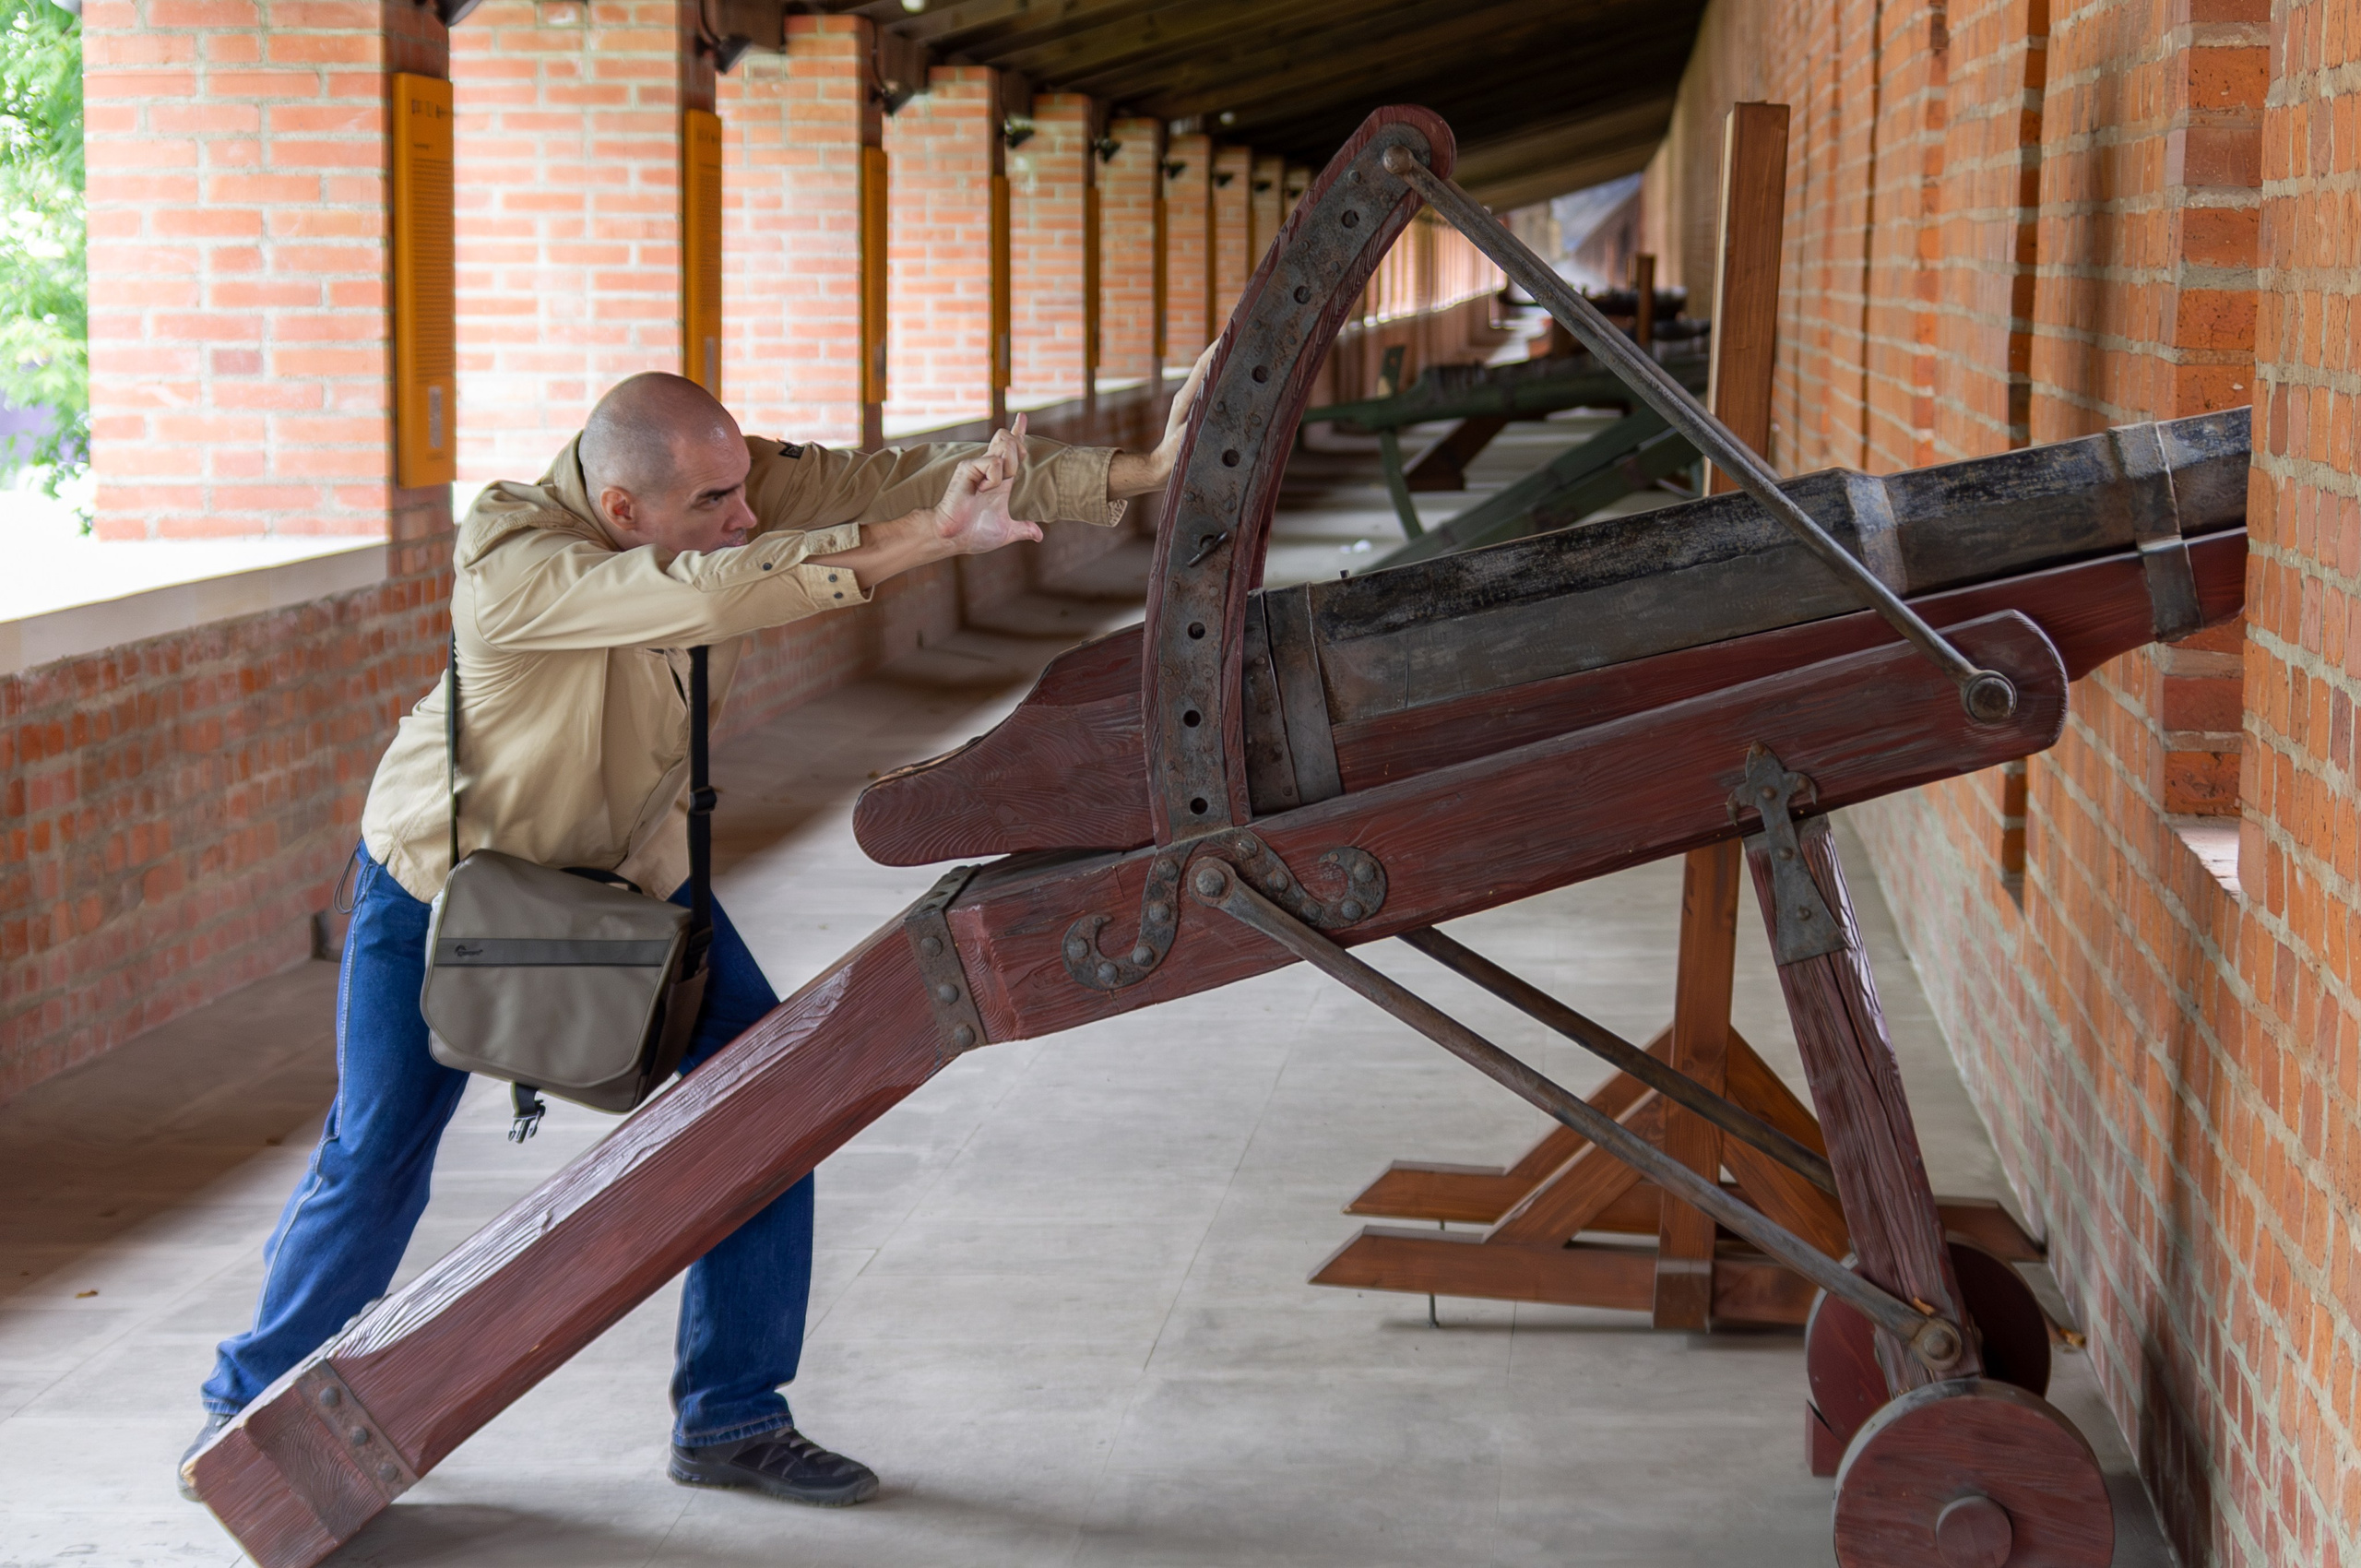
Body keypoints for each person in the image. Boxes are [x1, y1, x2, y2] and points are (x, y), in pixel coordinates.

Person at [183, 357, 1210, 1507]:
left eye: (741, 487)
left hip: (631, 876)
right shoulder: (513, 562)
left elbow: (883, 474)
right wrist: (930, 539)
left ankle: (731, 1414)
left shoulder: (716, 484)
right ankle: (247, 1406)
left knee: (775, 1092)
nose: (746, 514)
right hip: (443, 886)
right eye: (714, 502)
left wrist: (1139, 469)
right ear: (624, 509)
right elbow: (715, 592)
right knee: (376, 1153)